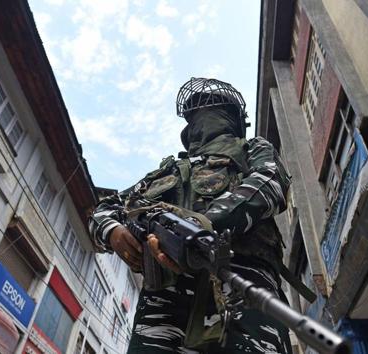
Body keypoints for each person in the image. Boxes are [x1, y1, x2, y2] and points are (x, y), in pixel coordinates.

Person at [89, 77, 293, 353]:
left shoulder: (251, 149)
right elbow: (107, 209)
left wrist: (205, 224)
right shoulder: (166, 171)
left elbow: (270, 182)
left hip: (242, 280)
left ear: (231, 118)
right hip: (165, 298)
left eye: (209, 111)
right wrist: (114, 232)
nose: (202, 119)